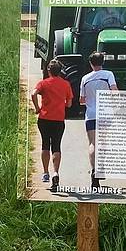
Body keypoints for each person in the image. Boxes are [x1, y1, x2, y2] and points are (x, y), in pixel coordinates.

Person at [31, 59, 73, 191]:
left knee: (45, 144)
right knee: (56, 146)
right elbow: (69, 104)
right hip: (58, 120)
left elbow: (33, 93)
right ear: (60, 71)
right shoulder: (66, 84)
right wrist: (64, 104)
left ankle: (45, 173)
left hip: (44, 118)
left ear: (48, 70)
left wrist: (37, 107)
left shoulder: (43, 83)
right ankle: (56, 172)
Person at [79, 51, 118, 188]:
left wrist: (90, 101)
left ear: (90, 63)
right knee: (104, 142)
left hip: (91, 114)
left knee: (93, 144)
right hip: (105, 114)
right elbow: (114, 91)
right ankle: (101, 167)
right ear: (103, 62)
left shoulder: (85, 78)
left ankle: (94, 171)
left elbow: (82, 100)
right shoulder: (108, 75)